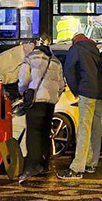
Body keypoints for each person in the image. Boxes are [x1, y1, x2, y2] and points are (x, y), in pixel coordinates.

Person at [57, 33, 102, 181]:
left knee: (83, 129)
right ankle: (91, 163)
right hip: (98, 93)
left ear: (74, 41)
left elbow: (69, 70)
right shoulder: (94, 50)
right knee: (95, 129)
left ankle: (77, 168)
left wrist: (75, 90)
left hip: (86, 92)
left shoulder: (76, 48)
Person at [17, 40, 65, 183]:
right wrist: (55, 98)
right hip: (49, 102)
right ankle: (44, 164)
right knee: (45, 133)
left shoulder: (30, 57)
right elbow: (61, 84)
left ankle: (33, 166)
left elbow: (23, 79)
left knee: (33, 134)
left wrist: (24, 92)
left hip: (35, 101)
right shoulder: (56, 61)